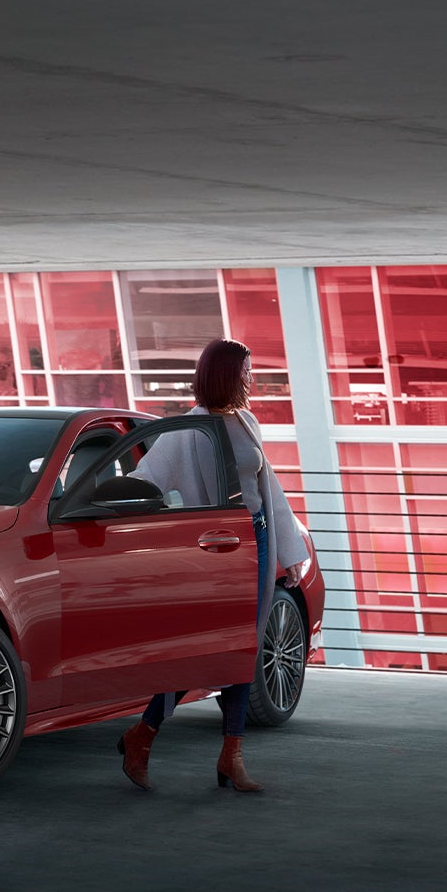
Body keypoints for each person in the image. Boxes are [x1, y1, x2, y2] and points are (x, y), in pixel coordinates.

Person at [117, 338, 310, 793]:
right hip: (215, 550)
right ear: (223, 374)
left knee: (244, 649)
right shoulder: (187, 429)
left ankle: (231, 756)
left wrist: (289, 552)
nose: (251, 378)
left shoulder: (246, 421)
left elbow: (268, 486)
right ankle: (142, 735)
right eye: (245, 370)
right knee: (203, 651)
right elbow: (146, 482)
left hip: (257, 541)